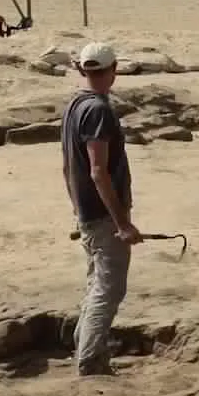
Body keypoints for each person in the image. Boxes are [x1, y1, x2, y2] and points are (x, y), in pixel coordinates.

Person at [61, 42, 141, 375]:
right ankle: (91, 360)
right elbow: (97, 170)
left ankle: (85, 345)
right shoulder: (98, 110)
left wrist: (77, 211)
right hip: (103, 214)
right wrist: (121, 222)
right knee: (109, 288)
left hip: (88, 213)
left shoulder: (74, 106)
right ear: (114, 69)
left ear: (81, 70)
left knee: (96, 283)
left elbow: (67, 167)